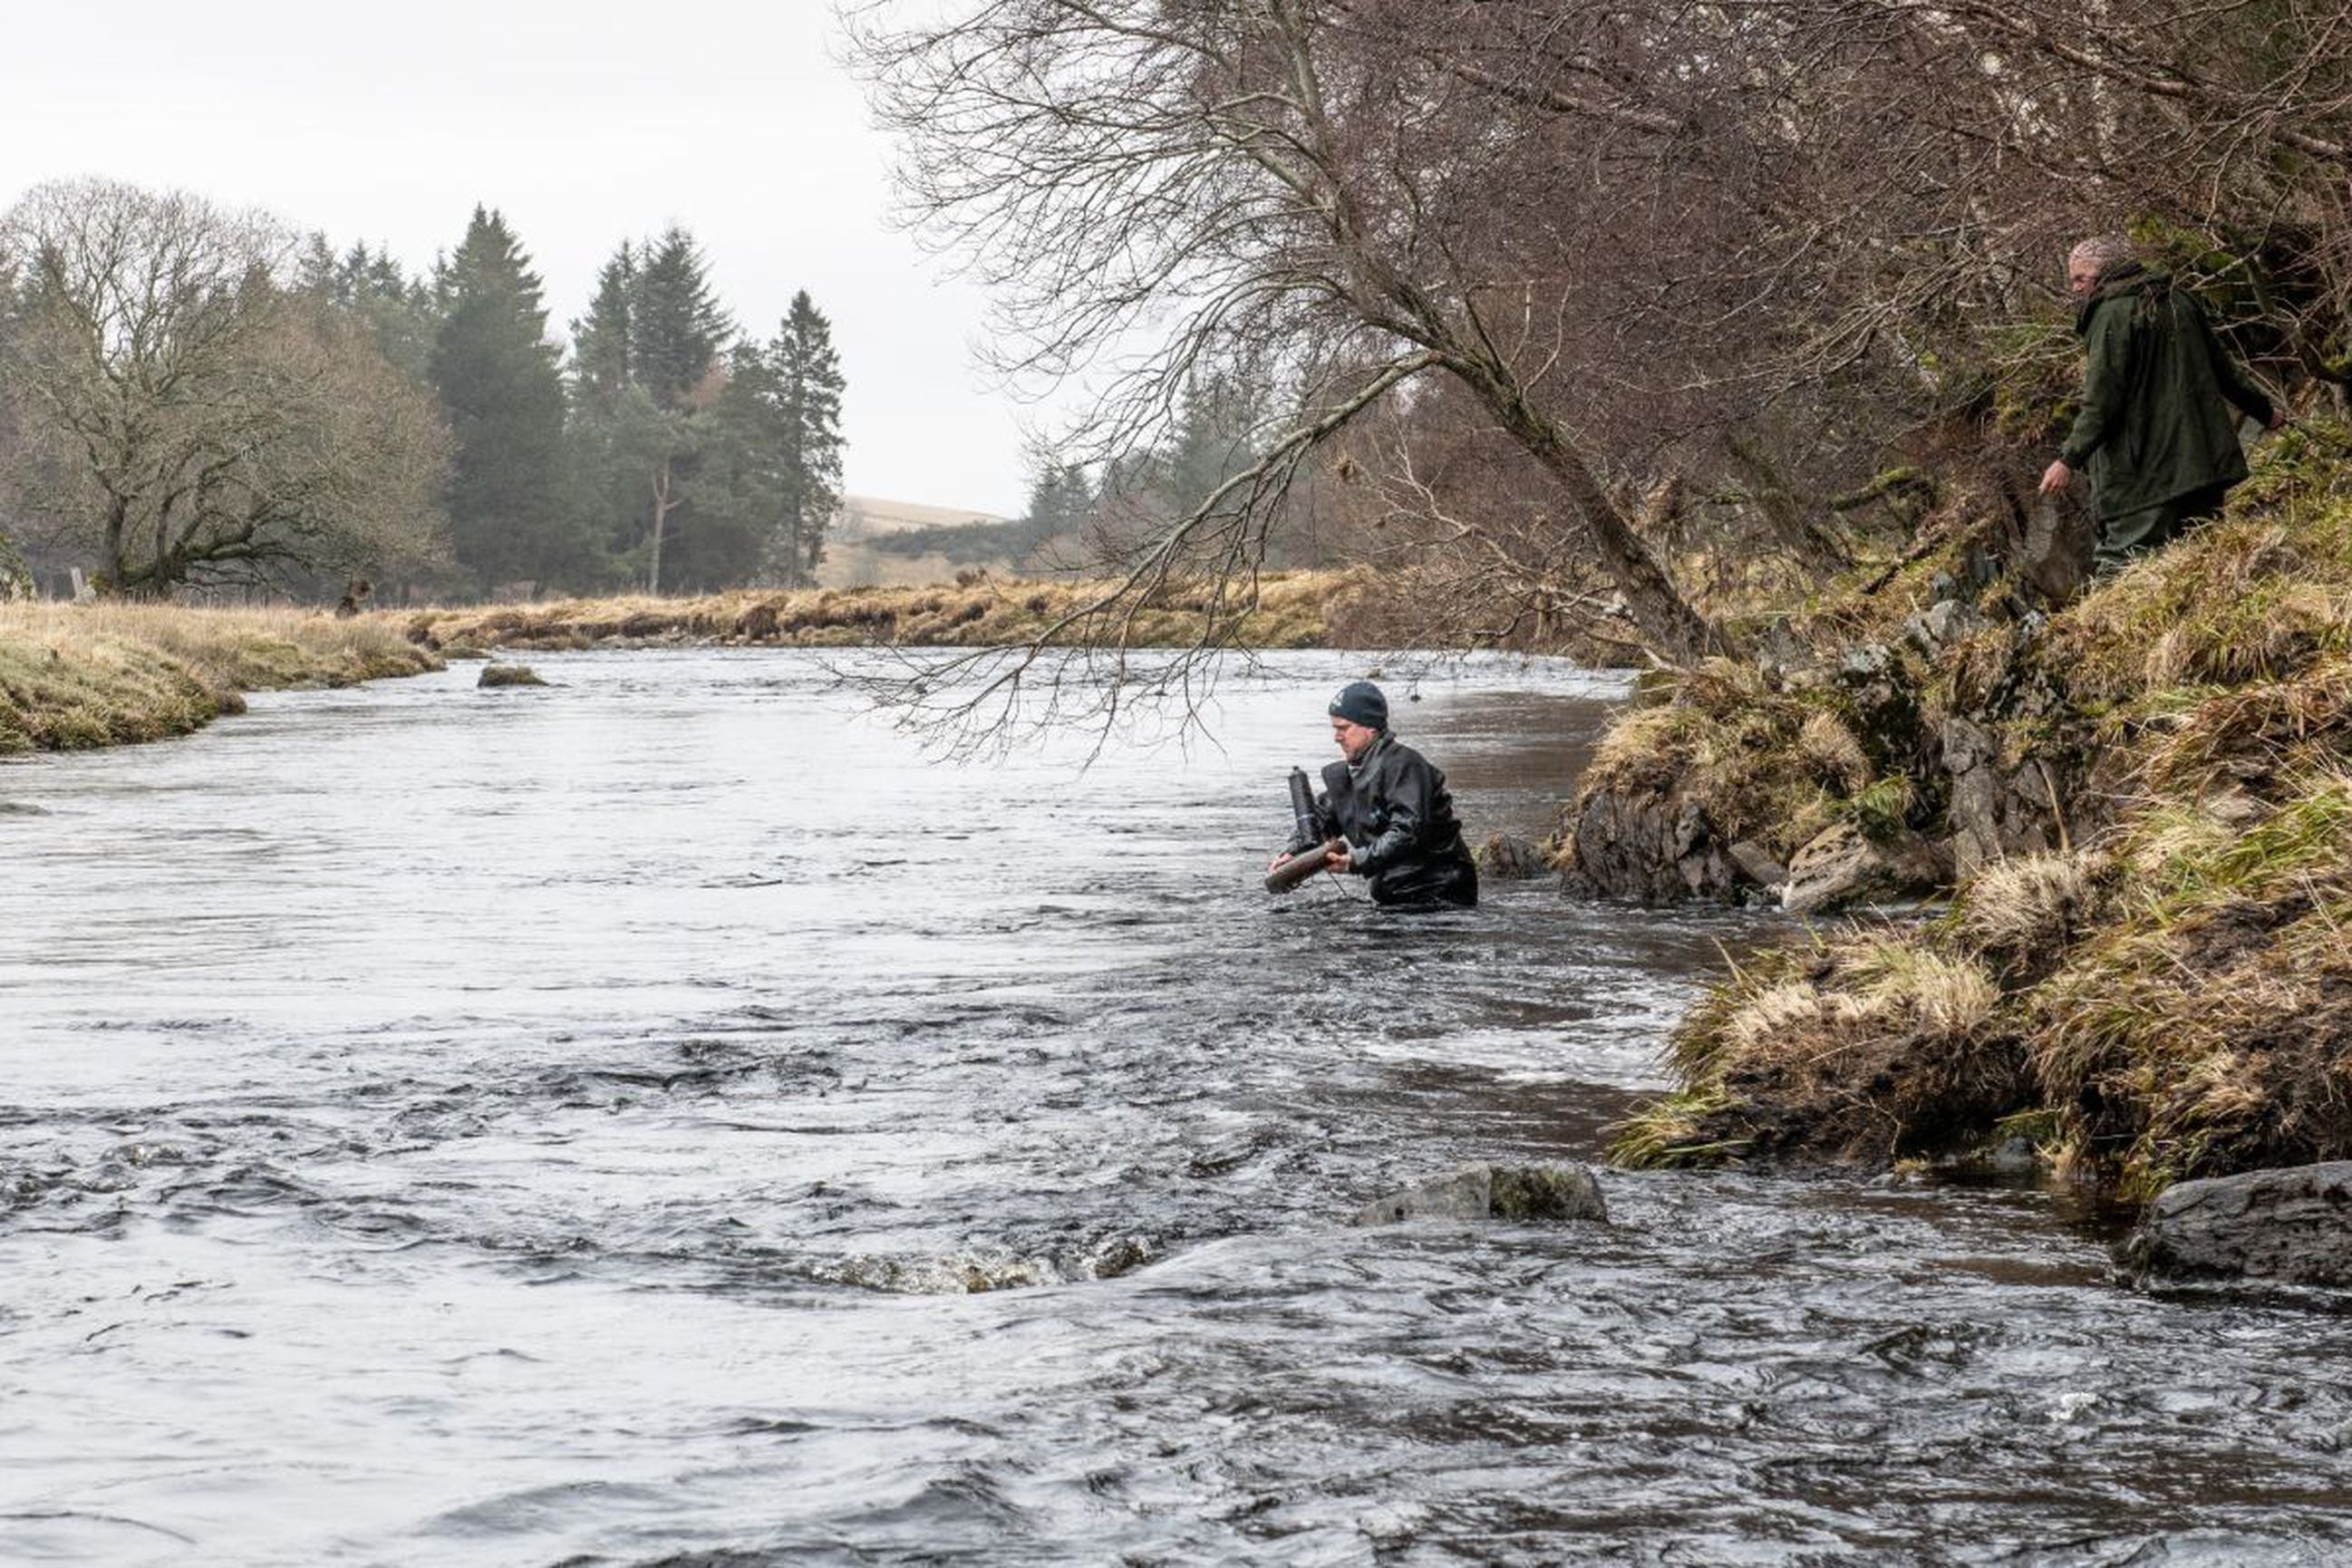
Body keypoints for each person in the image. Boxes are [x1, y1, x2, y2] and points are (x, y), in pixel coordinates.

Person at [2038, 235, 2284, 578]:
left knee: (2122, 572)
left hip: (2144, 479)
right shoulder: (2179, 301)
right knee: (2205, 563)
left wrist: (2068, 459)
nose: (2076, 288)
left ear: (2107, 272)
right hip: (2200, 466)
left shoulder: (2110, 316)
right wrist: (2265, 412)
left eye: (2081, 278)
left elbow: (2102, 401)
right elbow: (2225, 371)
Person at [1285, 680, 1478, 908]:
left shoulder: (1406, 766)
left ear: (1371, 727)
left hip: (1439, 894)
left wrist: (1355, 862)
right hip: (1394, 894)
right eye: (1335, 728)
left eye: (1343, 728)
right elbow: (1322, 817)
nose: (1336, 737)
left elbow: (1408, 831)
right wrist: (1293, 852)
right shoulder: (1351, 775)